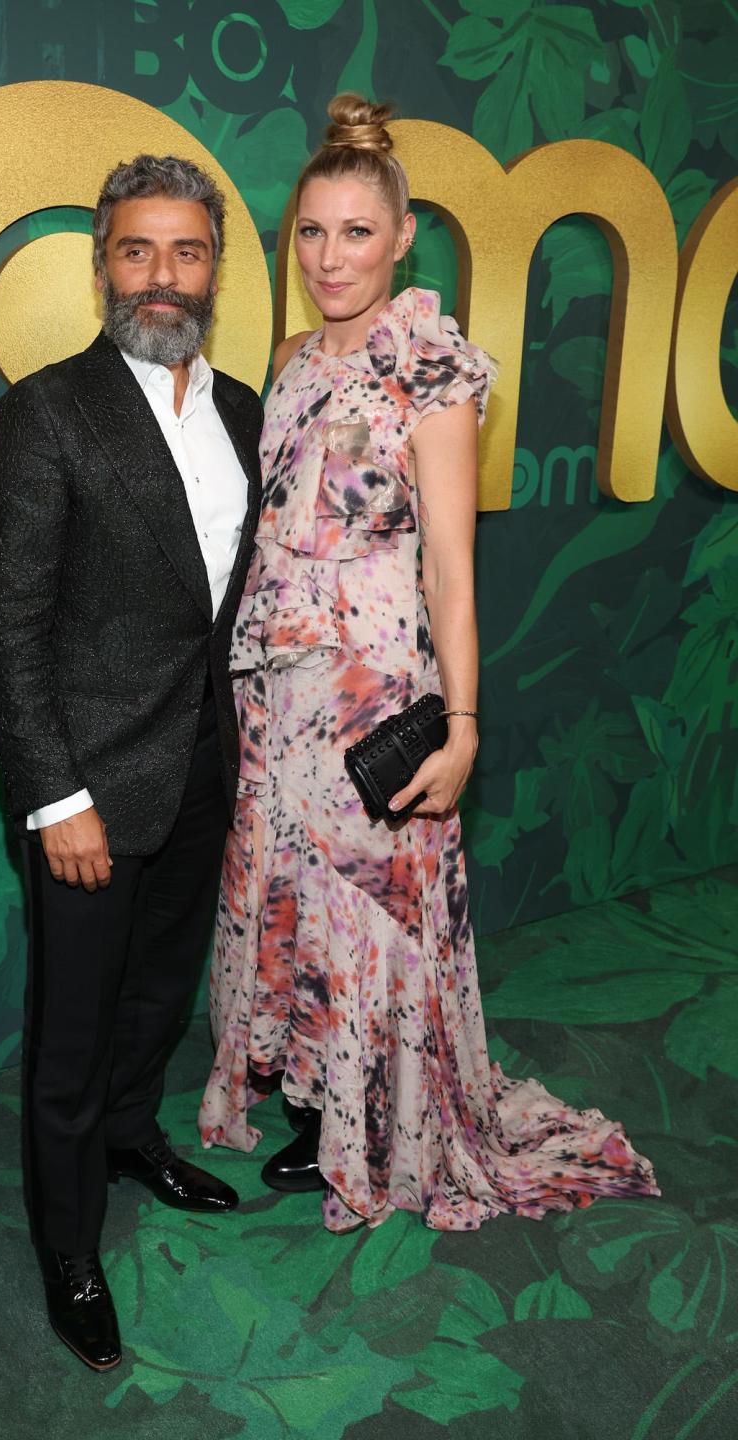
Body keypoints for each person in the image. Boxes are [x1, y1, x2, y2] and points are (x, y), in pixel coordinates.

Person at [199, 95, 659, 1234]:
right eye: (311, 232)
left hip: (371, 693)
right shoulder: (293, 355)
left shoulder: (430, 367)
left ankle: (386, 1124)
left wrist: (461, 727)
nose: (329, 257)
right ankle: (319, 1107)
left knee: (369, 911)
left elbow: (453, 566)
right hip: (275, 693)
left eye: (357, 232)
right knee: (295, 904)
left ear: (403, 236)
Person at [0, 154, 263, 1370]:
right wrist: (56, 798)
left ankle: (135, 1138)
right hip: (87, 785)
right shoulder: (47, 411)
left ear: (214, 269)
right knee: (74, 1029)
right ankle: (68, 1244)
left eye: (186, 252)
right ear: (103, 265)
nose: (162, 276)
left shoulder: (244, 408)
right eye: (137, 251)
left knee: (156, 991)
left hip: (205, 765)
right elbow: (10, 632)